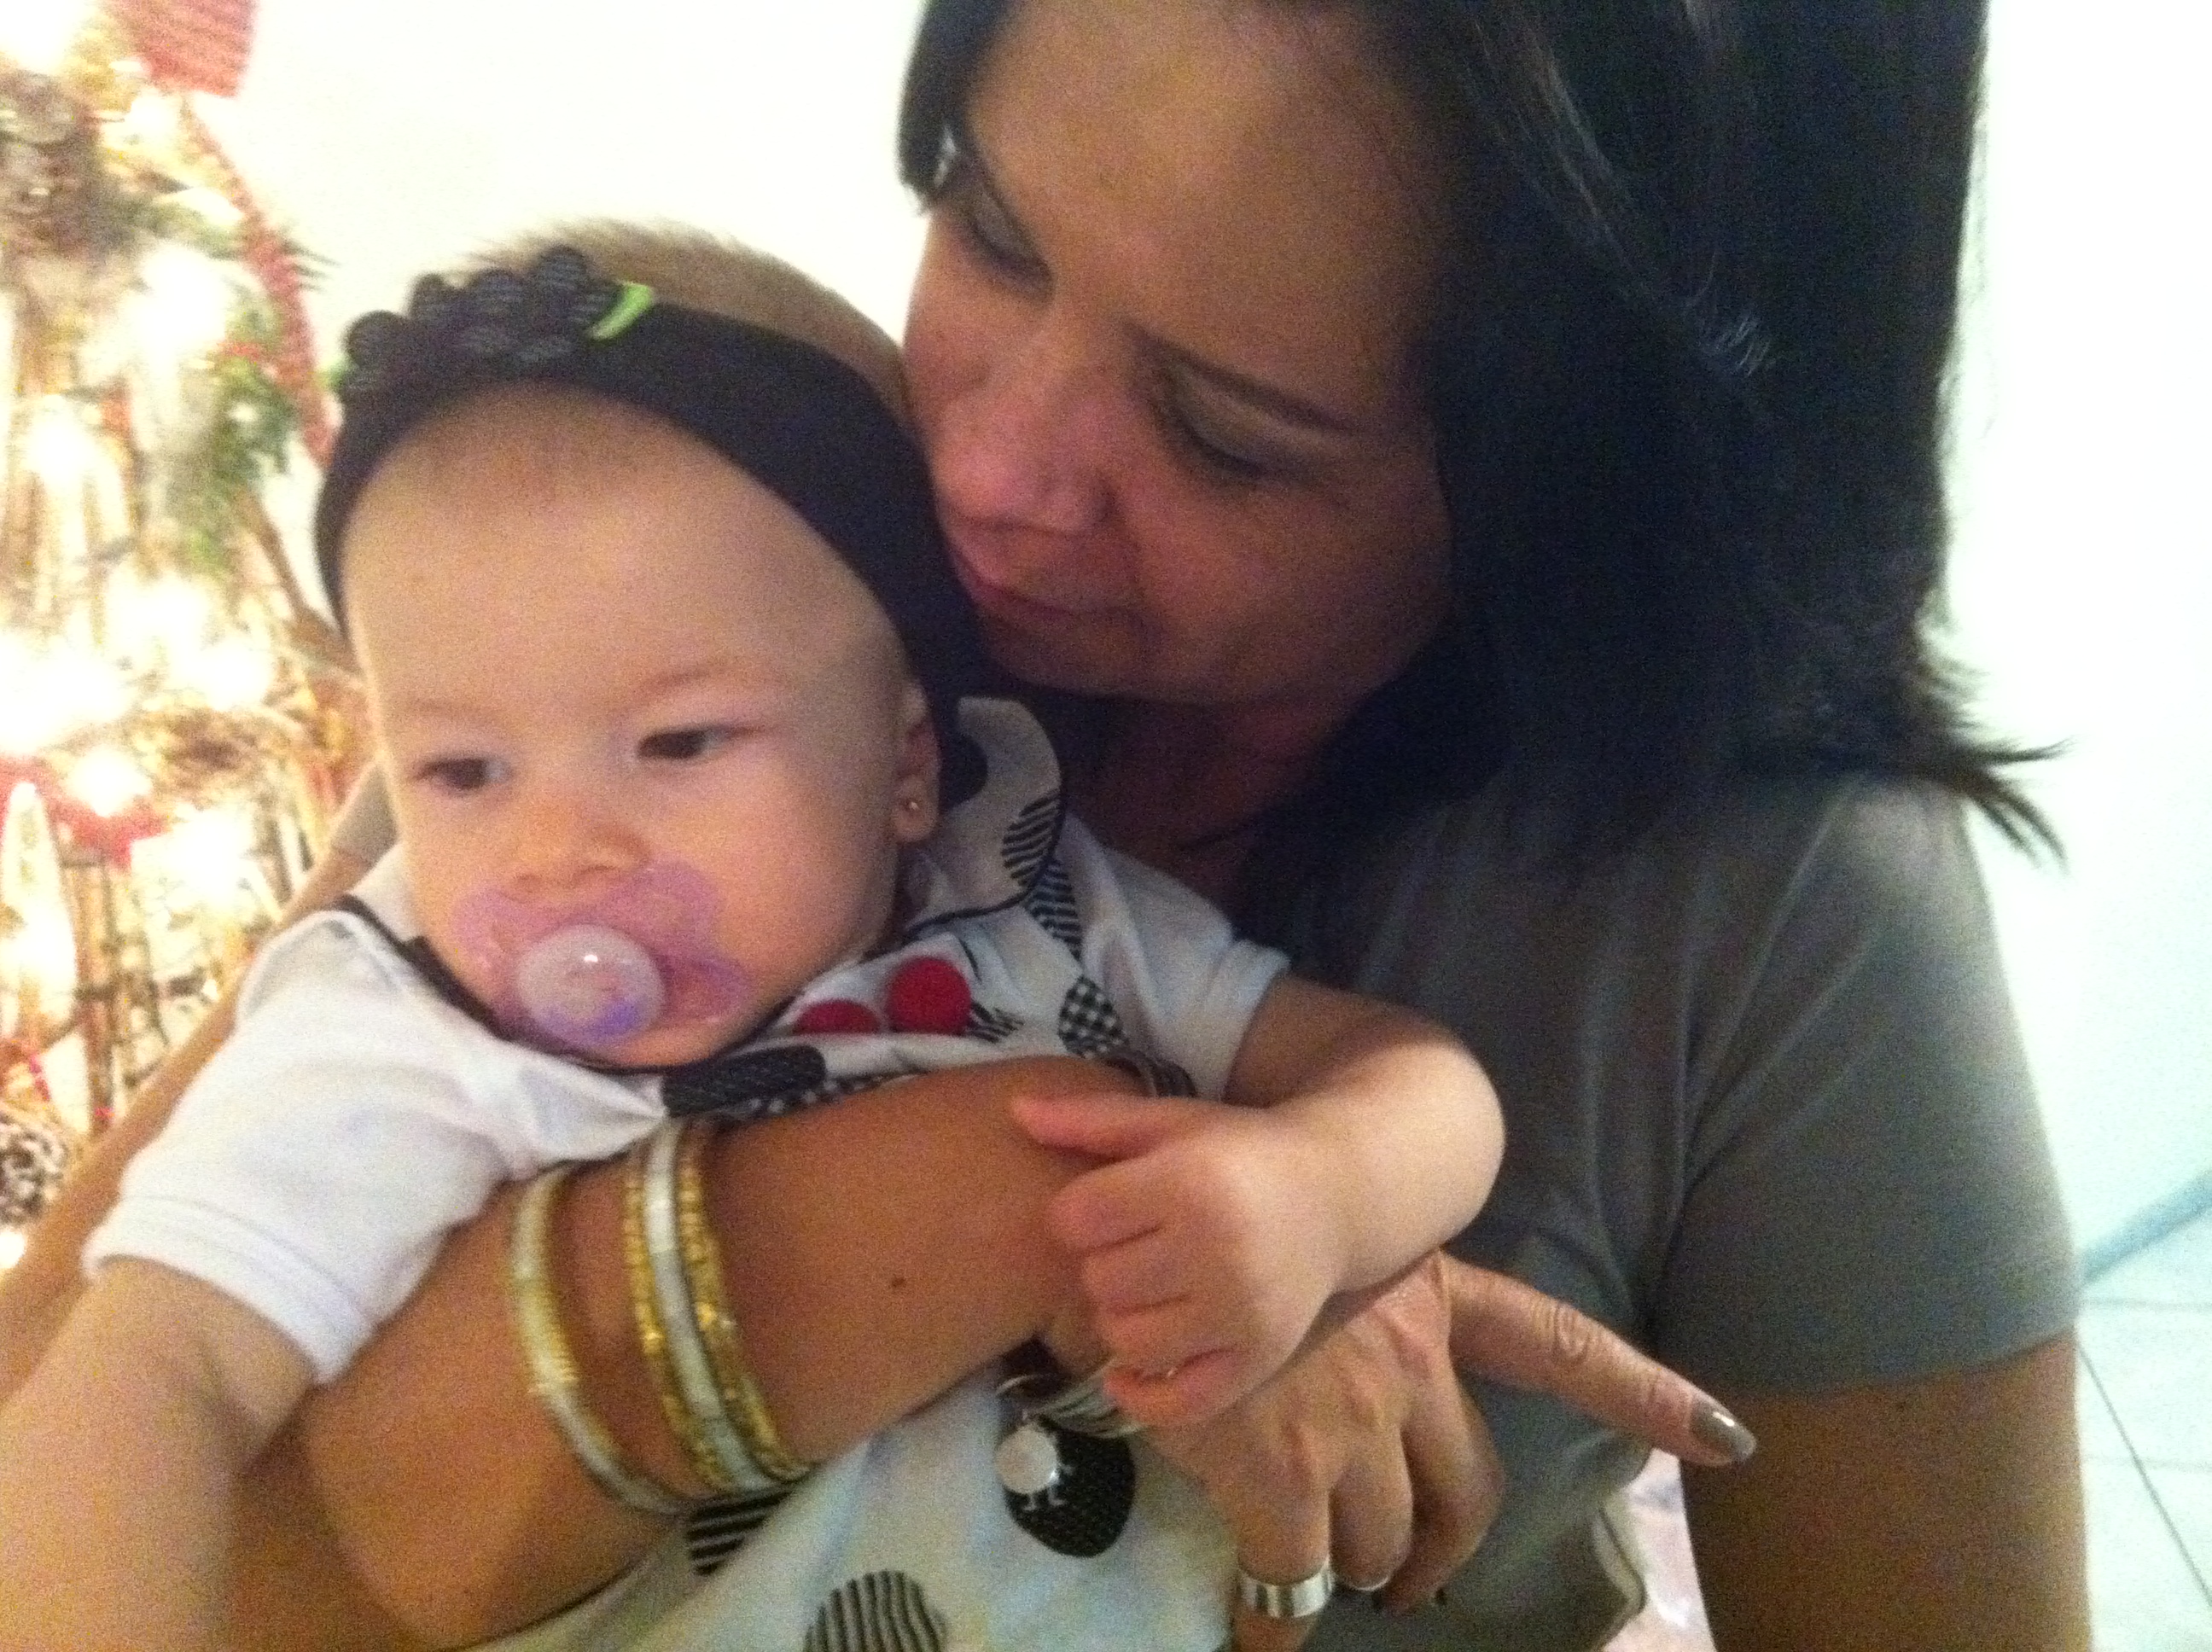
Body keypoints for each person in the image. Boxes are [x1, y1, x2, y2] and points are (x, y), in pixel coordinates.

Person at [0, 0, 2087, 1647]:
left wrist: (1310, 1193)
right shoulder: (688, 620)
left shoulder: (1794, 928)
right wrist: (997, 1210)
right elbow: (103, 1409)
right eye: (989, 225)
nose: (984, 474)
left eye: (1224, 432)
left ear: (1591, 488)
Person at [0, 230, 1517, 1651]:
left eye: (679, 741)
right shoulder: (408, 1035)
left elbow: (1410, 1075)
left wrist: (1326, 1192)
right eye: (459, 772)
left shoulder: (1029, 904)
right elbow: (151, 1376)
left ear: (907, 758)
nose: (557, 849)